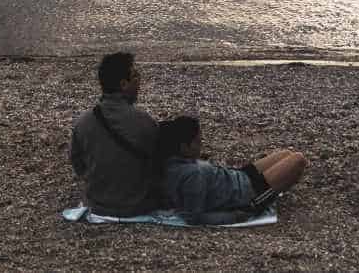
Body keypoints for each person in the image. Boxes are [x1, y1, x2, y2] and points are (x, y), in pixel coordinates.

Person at [157, 115, 308, 224]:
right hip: (248, 194)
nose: (201, 145)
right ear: (184, 147)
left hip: (238, 177)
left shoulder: (174, 164)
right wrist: (235, 216)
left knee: (287, 154)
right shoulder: (192, 175)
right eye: (197, 142)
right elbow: (194, 216)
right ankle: (262, 202)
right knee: (298, 160)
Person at [69, 51, 166, 216]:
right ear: (123, 84)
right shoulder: (144, 121)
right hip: (138, 204)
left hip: (98, 202)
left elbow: (78, 164)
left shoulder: (82, 122)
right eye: (135, 76)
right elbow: (160, 165)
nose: (140, 81)